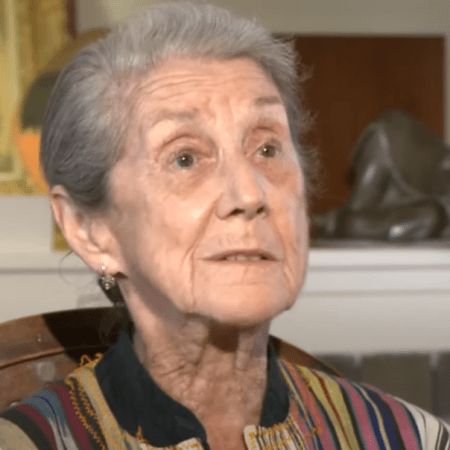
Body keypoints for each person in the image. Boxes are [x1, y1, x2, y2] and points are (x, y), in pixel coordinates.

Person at [0, 3, 448, 449]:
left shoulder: (408, 438)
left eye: (267, 149)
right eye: (185, 158)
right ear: (89, 230)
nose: (249, 195)